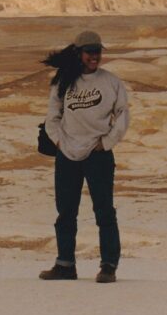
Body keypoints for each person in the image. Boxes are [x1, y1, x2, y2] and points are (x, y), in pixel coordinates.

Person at [39, 30, 129, 283]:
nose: (95, 56)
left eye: (98, 52)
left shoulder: (111, 82)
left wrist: (106, 142)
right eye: (90, 52)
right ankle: (65, 264)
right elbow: (52, 115)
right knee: (65, 212)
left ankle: (109, 266)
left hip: (98, 154)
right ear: (79, 53)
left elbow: (122, 115)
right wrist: (58, 141)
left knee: (104, 212)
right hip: (67, 154)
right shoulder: (63, 82)